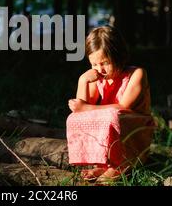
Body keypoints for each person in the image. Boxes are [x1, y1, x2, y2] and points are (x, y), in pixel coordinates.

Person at [66, 25, 155, 183]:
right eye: (94, 64)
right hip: (113, 126)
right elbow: (81, 111)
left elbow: (123, 107)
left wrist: (85, 108)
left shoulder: (137, 74)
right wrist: (83, 80)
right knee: (74, 118)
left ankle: (121, 165)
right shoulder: (96, 78)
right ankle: (101, 162)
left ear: (118, 56)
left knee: (112, 116)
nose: (99, 69)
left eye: (105, 63)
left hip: (134, 129)